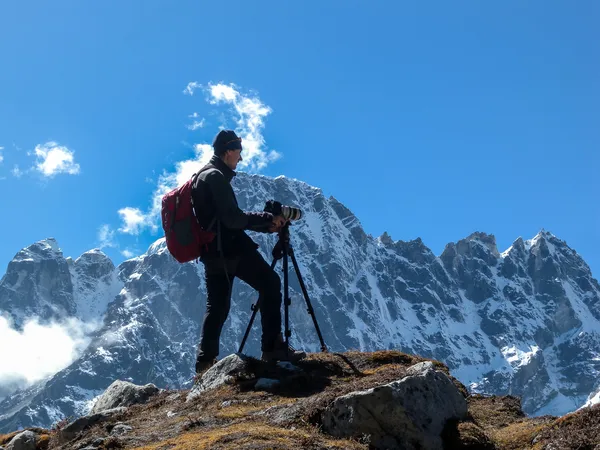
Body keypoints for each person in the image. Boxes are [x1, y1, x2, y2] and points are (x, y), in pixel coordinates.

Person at [191, 129, 306, 374]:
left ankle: (204, 364)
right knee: (270, 283)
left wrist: (265, 224)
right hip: (231, 249)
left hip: (213, 252)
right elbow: (232, 220)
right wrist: (267, 220)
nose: (240, 159)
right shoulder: (215, 177)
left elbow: (225, 219)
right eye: (239, 152)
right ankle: (273, 348)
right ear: (229, 150)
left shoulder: (202, 176)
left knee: (218, 307)